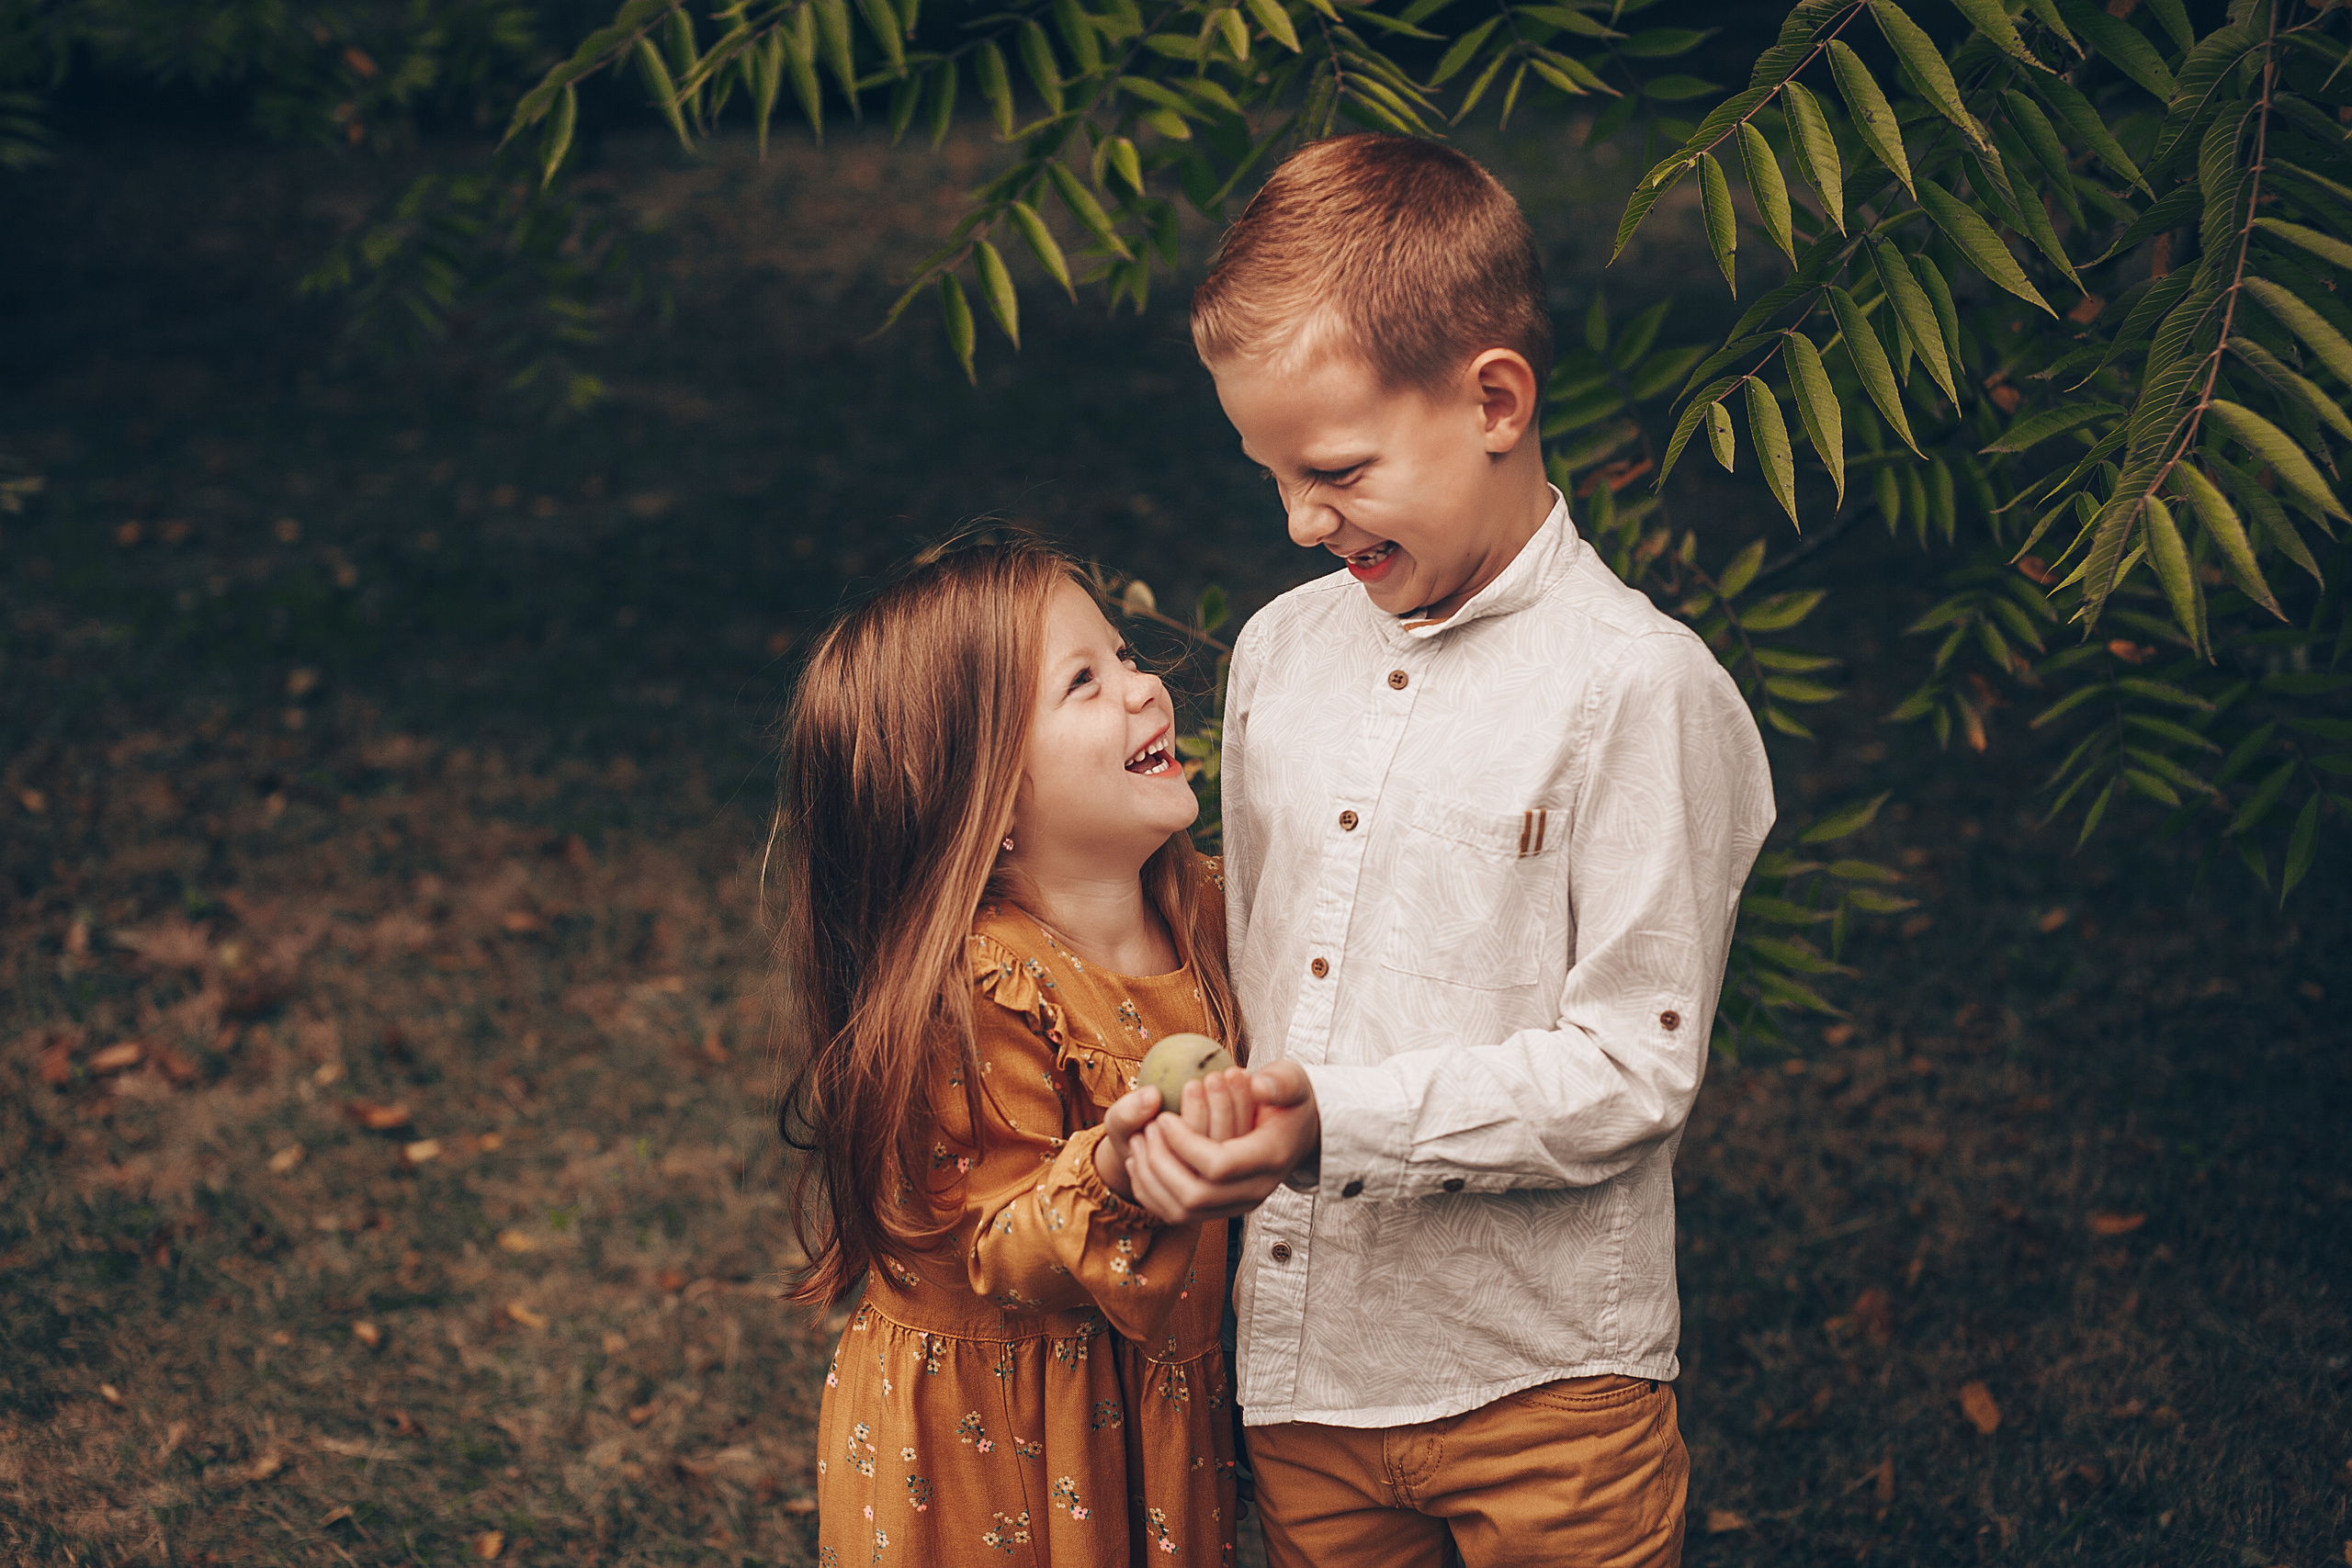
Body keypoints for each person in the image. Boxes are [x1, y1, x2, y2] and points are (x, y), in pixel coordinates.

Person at [1119, 134, 1779, 1567]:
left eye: (1336, 470)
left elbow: (1635, 1067)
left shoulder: (1638, 689)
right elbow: (1262, 967)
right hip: (1305, 1376)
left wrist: (1333, 1122)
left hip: (1545, 1384)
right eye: (1271, 474)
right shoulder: (1280, 651)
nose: (1301, 519)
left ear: (1494, 400)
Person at [772, 538, 1250, 1564]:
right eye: (1086, 682)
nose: (1144, 688)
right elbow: (999, 1250)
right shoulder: (982, 985)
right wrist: (1120, 1171)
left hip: (1143, 1397)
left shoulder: (1207, 910)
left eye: (1125, 655)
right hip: (1005, 1438)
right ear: (983, 799)